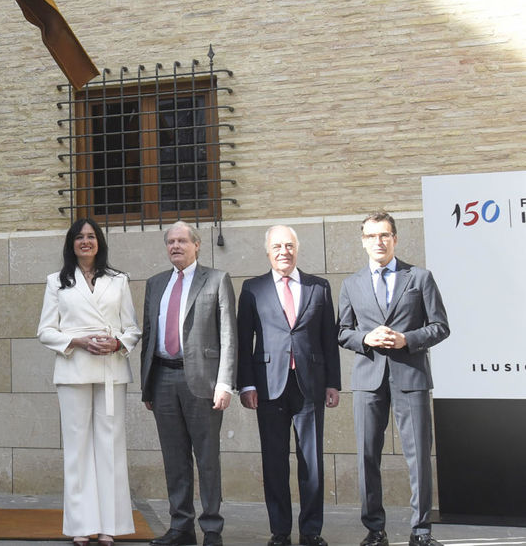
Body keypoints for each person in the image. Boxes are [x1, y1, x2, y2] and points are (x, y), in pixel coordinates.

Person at [338, 212, 450, 546]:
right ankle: (375, 530)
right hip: (368, 380)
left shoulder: (419, 277)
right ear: (362, 241)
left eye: (384, 235)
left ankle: (421, 531)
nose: (378, 242)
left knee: (418, 457)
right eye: (371, 236)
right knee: (366, 456)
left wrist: (407, 339)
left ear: (395, 239)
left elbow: (440, 326)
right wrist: (366, 339)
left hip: (410, 377)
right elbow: (342, 332)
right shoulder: (351, 283)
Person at [37, 219, 141, 546]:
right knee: (78, 449)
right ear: (71, 243)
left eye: (91, 236)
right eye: (79, 237)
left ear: (99, 242)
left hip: (111, 371)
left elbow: (132, 329)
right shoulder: (57, 282)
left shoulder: (119, 280)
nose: (86, 241)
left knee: (110, 449)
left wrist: (117, 344)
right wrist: (79, 342)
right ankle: (81, 524)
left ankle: (110, 524)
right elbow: (46, 331)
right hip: (74, 371)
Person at [236, 226, 341, 546]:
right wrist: (246, 385)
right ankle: (280, 531)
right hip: (268, 387)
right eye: (277, 246)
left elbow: (328, 340)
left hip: (310, 385)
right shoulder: (252, 289)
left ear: (297, 249)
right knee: (275, 461)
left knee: (312, 461)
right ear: (268, 251)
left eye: (290, 245)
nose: (284, 251)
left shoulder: (318, 287)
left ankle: (311, 531)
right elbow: (243, 340)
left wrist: (333, 383)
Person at [139, 221, 236, 546]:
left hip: (203, 383)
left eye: (182, 241)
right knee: (174, 458)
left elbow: (229, 336)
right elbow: (150, 335)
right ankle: (181, 527)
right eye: (170, 242)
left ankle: (212, 529)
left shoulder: (217, 280)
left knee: (207, 458)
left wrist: (225, 383)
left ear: (197, 245)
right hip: (163, 378)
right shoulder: (155, 284)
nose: (175, 246)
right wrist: (147, 385)